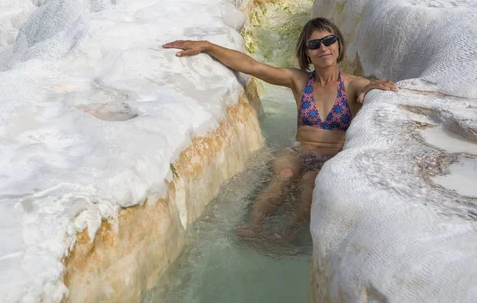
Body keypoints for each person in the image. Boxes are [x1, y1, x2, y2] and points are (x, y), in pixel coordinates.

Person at [163, 17, 397, 242]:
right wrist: (207, 46)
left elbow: (371, 88)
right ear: (307, 52)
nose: (323, 48)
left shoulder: (353, 84)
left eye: (329, 41)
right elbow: (253, 66)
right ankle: (253, 226)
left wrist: (376, 85)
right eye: (314, 44)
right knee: (284, 175)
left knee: (310, 182)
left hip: (332, 157)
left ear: (338, 44)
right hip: (300, 150)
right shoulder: (299, 81)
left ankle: (288, 235)